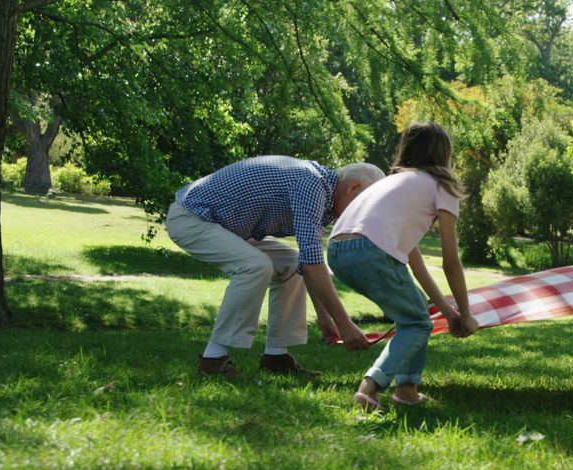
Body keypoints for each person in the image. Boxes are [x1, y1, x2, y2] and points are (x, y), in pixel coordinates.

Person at [166, 156, 385, 378]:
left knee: (290, 263)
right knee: (255, 265)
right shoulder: (310, 184)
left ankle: (276, 356)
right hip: (191, 218)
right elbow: (312, 265)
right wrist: (344, 323)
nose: (361, 215)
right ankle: (212, 360)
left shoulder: (322, 192)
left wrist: (326, 320)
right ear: (353, 187)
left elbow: (309, 261)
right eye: (363, 205)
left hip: (225, 228)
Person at [327, 121, 479, 410]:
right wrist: (467, 314)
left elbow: (415, 264)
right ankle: (369, 388)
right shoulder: (442, 185)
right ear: (445, 154)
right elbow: (451, 261)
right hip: (371, 250)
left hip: (337, 250)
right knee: (417, 323)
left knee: (415, 314)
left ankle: (407, 389)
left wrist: (450, 313)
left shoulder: (394, 182)